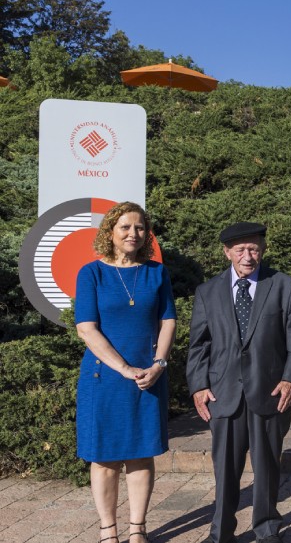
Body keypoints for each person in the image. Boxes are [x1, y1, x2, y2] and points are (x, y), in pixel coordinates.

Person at [187, 222, 291, 543]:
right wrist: (199, 385)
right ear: (226, 252)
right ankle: (221, 532)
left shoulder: (283, 286)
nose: (247, 256)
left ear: (263, 249)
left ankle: (267, 528)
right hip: (223, 394)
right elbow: (199, 345)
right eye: (240, 250)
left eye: (253, 248)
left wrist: (290, 379)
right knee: (225, 470)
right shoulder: (208, 292)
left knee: (267, 467)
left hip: (269, 392)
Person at [75, 201, 176, 543]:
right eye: (125, 227)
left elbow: (168, 321)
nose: (133, 233)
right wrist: (124, 368)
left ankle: (137, 529)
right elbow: (86, 328)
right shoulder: (91, 273)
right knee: (104, 457)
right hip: (104, 378)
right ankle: (108, 529)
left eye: (140, 228)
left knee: (140, 453)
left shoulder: (156, 272)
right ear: (110, 232)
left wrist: (159, 364)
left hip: (149, 377)